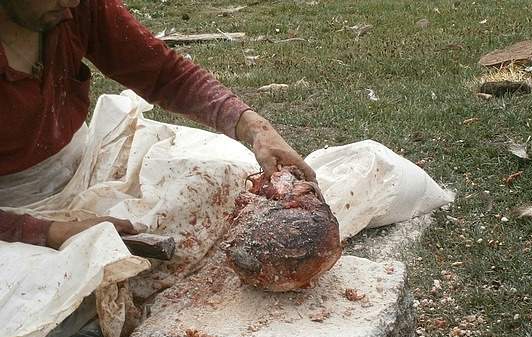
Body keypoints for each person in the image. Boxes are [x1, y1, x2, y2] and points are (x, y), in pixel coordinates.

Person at [0, 0, 316, 249]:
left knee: (221, 181)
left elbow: (164, 74)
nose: (71, 3)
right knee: (69, 285)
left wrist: (255, 127)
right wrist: (54, 232)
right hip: (9, 212)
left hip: (83, 167)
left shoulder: (79, 6)